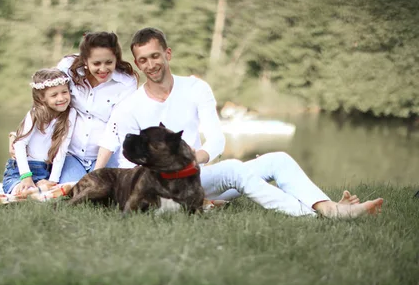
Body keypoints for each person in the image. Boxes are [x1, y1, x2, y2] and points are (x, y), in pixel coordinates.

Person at [97, 27, 383, 218]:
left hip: (199, 175)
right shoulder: (130, 106)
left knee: (279, 160)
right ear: (137, 64)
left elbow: (217, 140)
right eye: (143, 60)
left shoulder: (196, 88)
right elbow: (127, 160)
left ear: (167, 54)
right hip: (163, 187)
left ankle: (326, 207)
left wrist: (193, 160)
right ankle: (325, 215)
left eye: (155, 56)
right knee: (236, 168)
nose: (151, 65)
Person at [55, 31, 139, 183]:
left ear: (116, 59)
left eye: (109, 62)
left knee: (101, 193)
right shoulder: (67, 68)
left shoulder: (126, 83)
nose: (103, 69)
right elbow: (48, 100)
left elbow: (115, 128)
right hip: (70, 154)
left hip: (106, 156)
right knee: (71, 190)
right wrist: (20, 134)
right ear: (85, 61)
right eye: (96, 63)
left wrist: (97, 173)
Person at [3, 68, 77, 195]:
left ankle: (40, 188)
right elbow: (20, 144)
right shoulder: (35, 114)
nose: (61, 98)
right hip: (21, 170)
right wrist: (26, 176)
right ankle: (23, 188)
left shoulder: (70, 114)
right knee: (23, 193)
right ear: (42, 98)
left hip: (46, 170)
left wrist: (53, 180)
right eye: (54, 95)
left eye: (64, 92)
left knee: (57, 190)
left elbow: (62, 149)